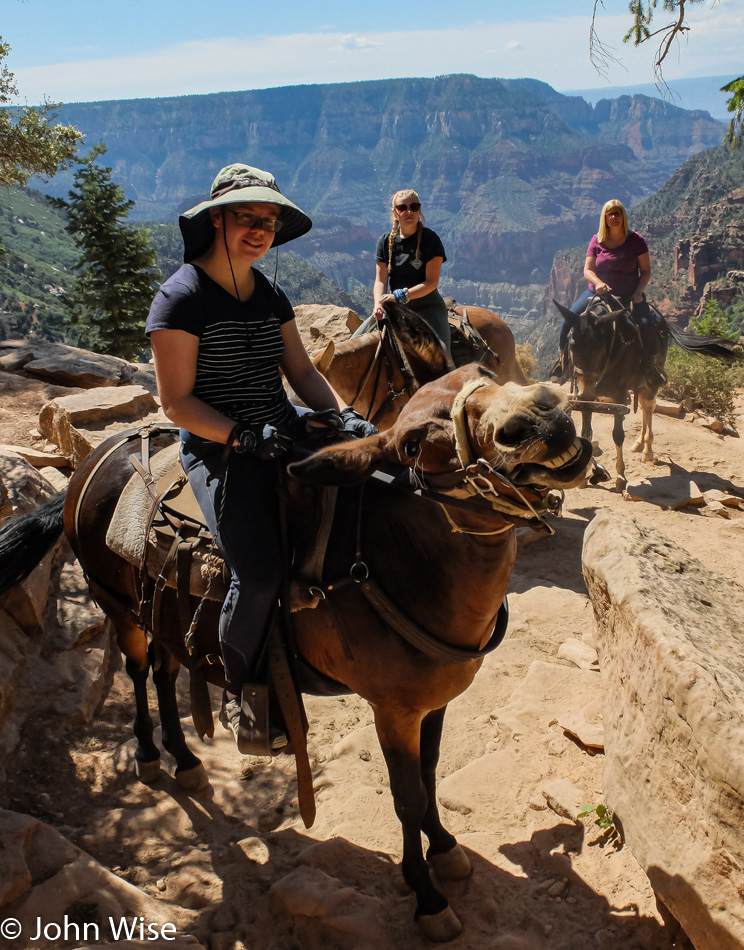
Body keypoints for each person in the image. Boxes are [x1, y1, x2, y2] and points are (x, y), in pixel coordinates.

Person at [146, 163, 376, 751]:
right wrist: (241, 438)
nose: (258, 230)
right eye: (246, 218)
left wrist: (342, 417)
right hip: (219, 449)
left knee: (376, 487)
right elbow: (177, 403)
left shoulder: (269, 292)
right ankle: (242, 694)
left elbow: (299, 370)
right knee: (258, 574)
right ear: (216, 219)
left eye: (268, 222)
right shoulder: (180, 299)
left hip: (284, 428)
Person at [555, 199, 659, 383]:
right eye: (609, 214)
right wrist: (598, 283)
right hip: (597, 293)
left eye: (617, 213)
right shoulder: (597, 240)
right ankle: (562, 366)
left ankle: (650, 370)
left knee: (646, 326)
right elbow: (587, 270)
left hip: (628, 295)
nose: (613, 217)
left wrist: (638, 292)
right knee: (566, 324)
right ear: (604, 217)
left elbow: (645, 271)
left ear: (623, 216)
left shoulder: (636, 240)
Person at [369, 189, 451, 354]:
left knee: (441, 353)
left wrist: (399, 296)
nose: (409, 211)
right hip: (395, 309)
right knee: (357, 341)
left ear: (419, 210)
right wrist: (378, 304)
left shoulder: (430, 240)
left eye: (414, 207)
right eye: (402, 207)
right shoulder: (385, 241)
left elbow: (431, 283)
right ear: (395, 213)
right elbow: (380, 280)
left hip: (428, 307)